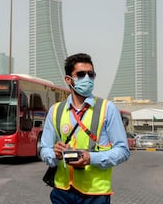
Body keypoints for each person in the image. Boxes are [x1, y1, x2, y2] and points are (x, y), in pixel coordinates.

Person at [40, 53, 130, 204]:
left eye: (91, 74)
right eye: (81, 74)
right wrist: (55, 154)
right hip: (62, 191)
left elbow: (123, 150)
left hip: (95, 194)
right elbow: (44, 149)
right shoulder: (55, 111)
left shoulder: (107, 109)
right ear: (68, 80)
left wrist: (91, 158)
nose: (87, 78)